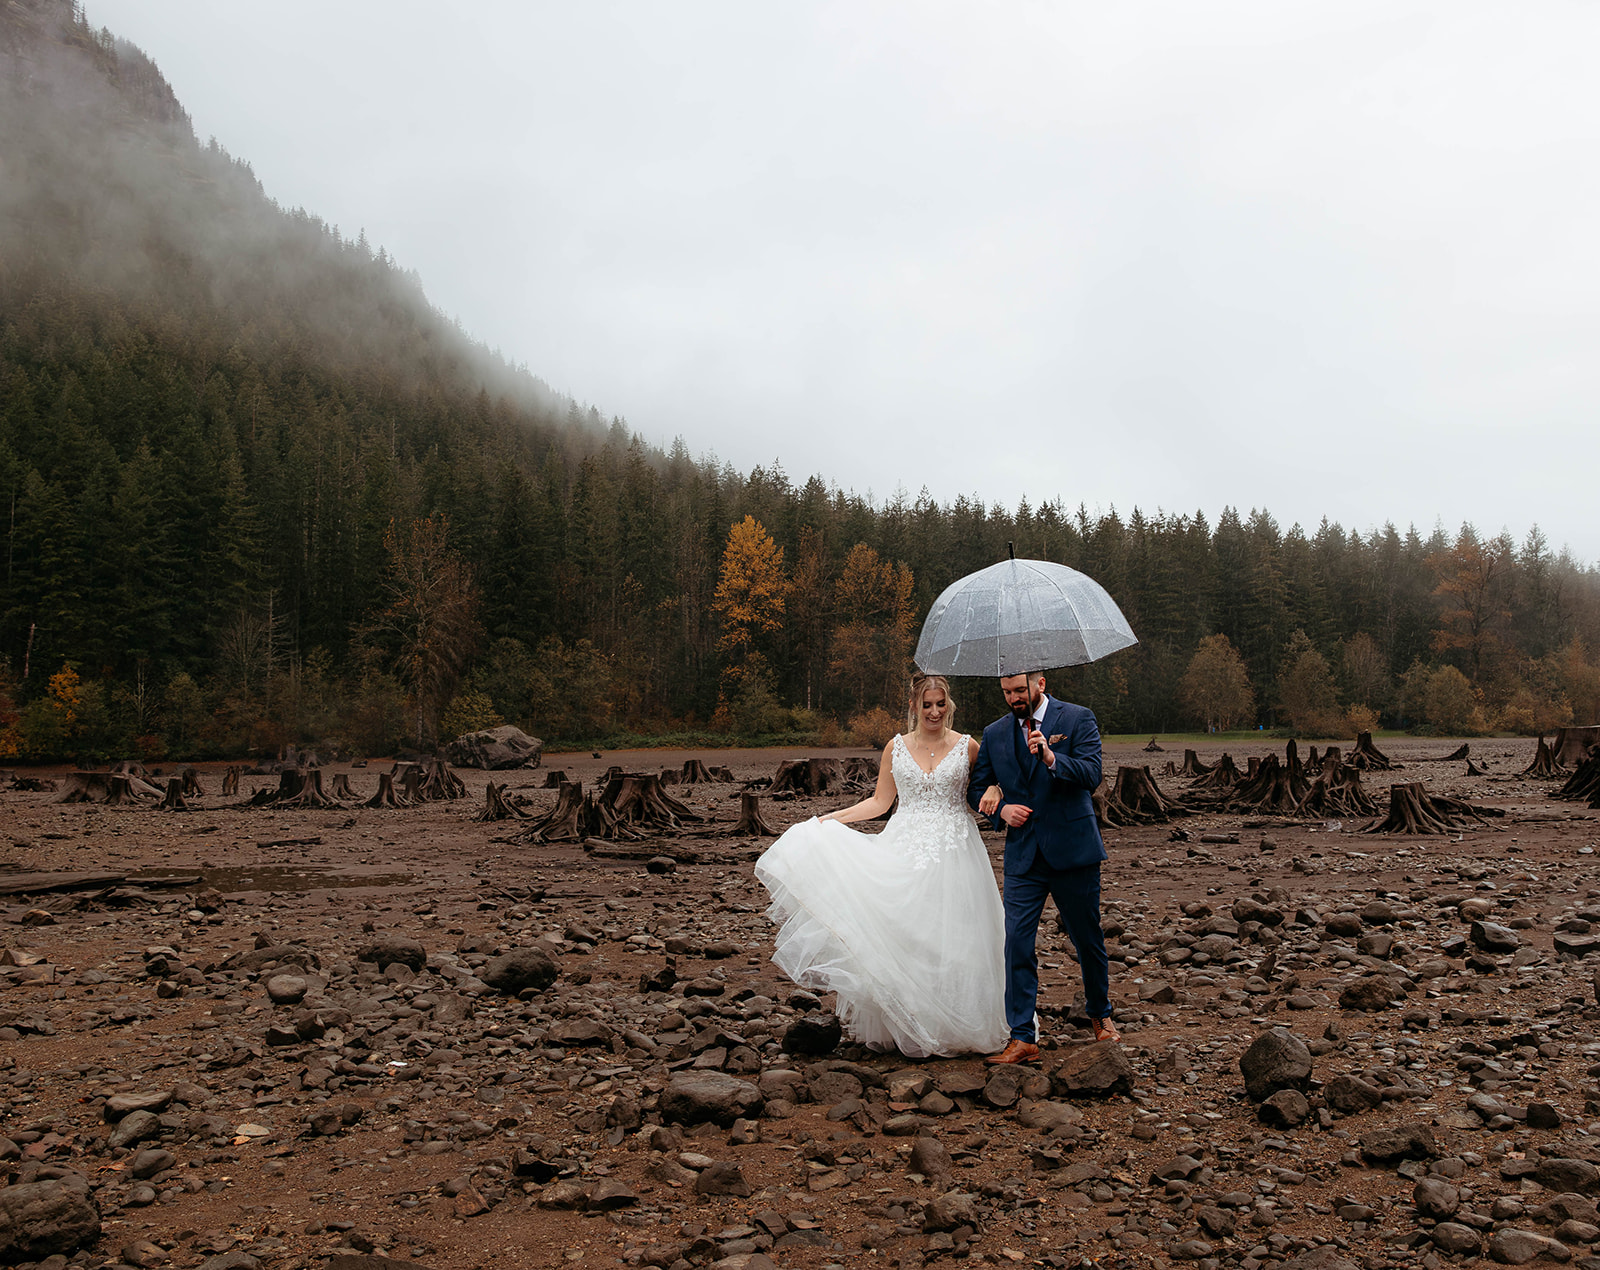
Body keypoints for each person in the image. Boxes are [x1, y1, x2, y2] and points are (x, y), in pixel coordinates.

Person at [753, 674, 1008, 1058]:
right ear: (914, 707)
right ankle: (911, 1019)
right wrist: (829, 821)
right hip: (903, 844)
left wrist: (996, 789)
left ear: (949, 705)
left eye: (941, 704)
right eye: (927, 705)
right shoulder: (896, 747)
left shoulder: (968, 746)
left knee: (957, 935)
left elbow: (995, 782)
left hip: (955, 849)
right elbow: (879, 803)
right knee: (905, 930)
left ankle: (957, 1020)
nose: (934, 711)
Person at [967, 670, 1118, 1065]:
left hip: (1073, 850)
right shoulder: (996, 733)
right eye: (1007, 692)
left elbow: (1092, 773)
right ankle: (1023, 1037)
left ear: (1041, 684)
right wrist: (1000, 808)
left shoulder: (1077, 719)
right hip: (1023, 855)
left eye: (1020, 690)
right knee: (1016, 941)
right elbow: (976, 786)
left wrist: (1052, 757)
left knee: (1086, 938)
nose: (1014, 698)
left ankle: (1100, 1015)